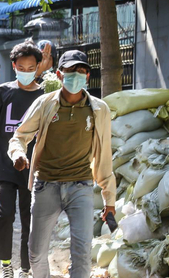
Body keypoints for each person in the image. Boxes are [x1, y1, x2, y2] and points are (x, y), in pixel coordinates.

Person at [8, 50, 116, 278]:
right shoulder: (45, 103)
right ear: (59, 74)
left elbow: (105, 155)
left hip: (81, 187)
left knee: (82, 253)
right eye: (70, 71)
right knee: (36, 253)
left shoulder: (99, 109)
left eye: (81, 71)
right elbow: (19, 136)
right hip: (46, 185)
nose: (76, 76)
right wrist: (18, 154)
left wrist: (109, 200)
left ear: (87, 75)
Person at [0, 41, 45, 278]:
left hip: (34, 169)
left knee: (29, 218)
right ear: (14, 65)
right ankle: (6, 265)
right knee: (6, 214)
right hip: (5, 168)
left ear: (38, 67)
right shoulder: (0, 93)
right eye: (22, 67)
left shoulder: (45, 95)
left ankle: (25, 267)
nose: (27, 71)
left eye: (32, 68)